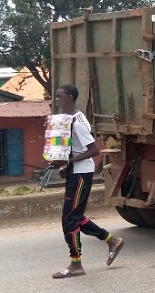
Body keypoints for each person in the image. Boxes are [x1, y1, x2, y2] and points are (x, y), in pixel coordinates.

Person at [50, 84, 125, 279]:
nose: (56, 99)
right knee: (74, 216)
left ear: (70, 98)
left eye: (60, 96)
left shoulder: (79, 122)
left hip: (81, 174)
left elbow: (94, 150)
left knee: (70, 220)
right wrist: (62, 163)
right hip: (76, 172)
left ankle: (76, 264)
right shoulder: (68, 120)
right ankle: (112, 240)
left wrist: (69, 162)